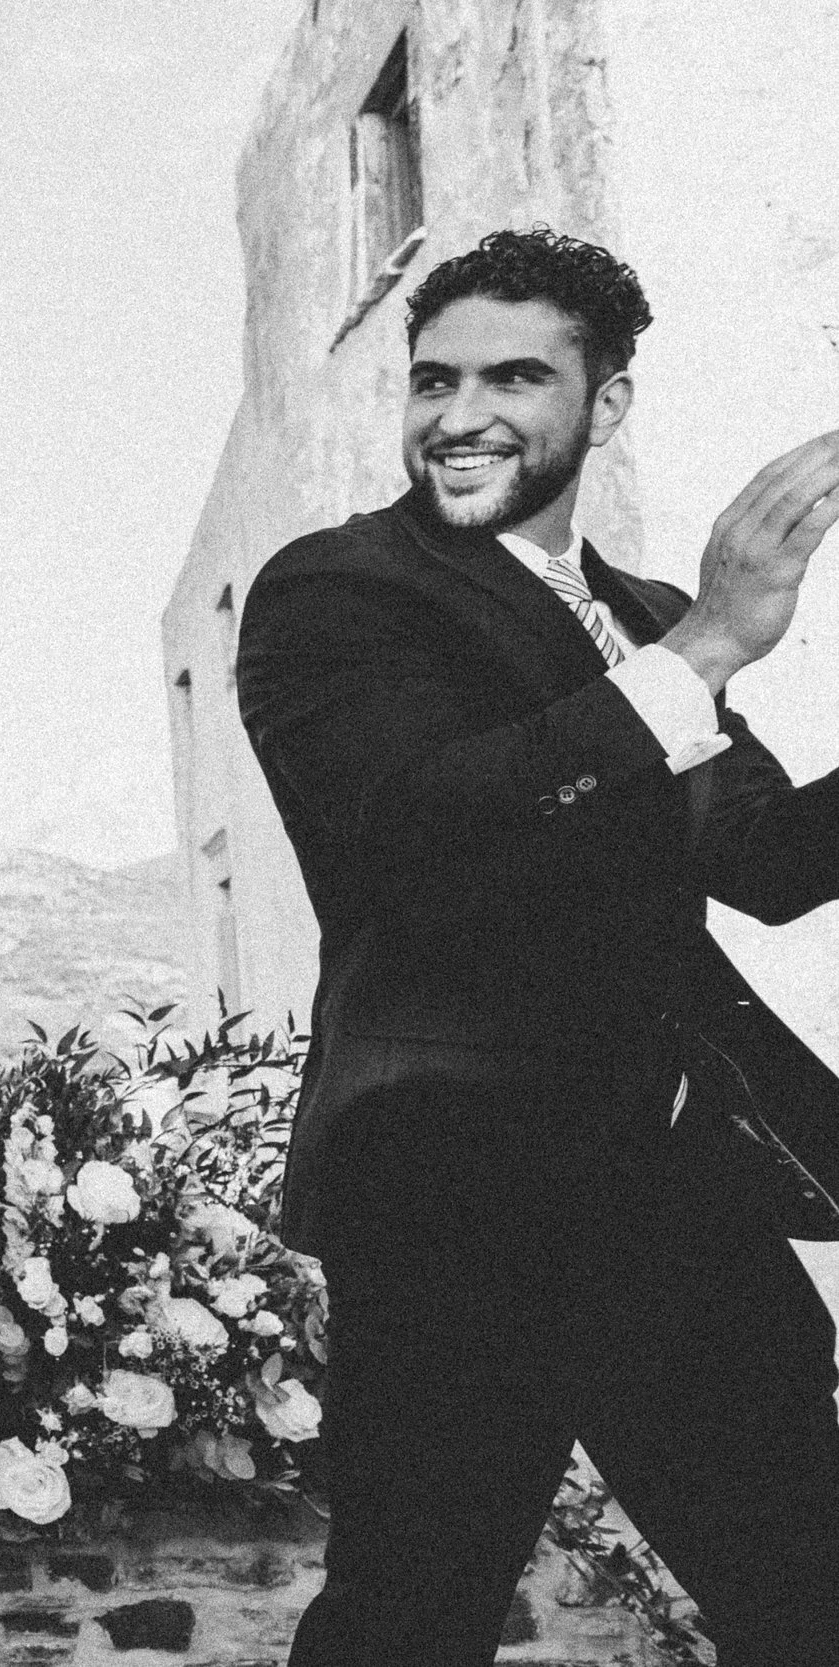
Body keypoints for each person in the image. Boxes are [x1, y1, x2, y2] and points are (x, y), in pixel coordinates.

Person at [235, 228, 839, 1666]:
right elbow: (426, 833)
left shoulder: (629, 615)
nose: (460, 414)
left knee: (814, 1593)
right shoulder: (336, 591)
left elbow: (757, 862)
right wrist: (702, 652)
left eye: (515, 374)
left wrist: (677, 647)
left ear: (607, 403)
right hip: (455, 1206)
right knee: (411, 1618)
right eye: (433, 378)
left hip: (676, 1193)